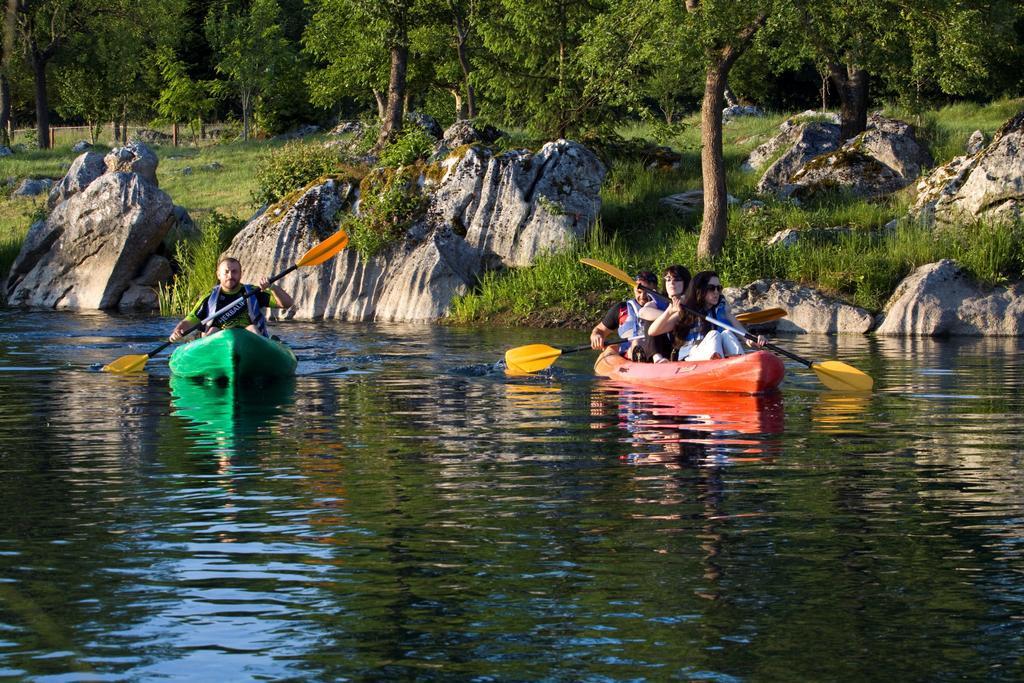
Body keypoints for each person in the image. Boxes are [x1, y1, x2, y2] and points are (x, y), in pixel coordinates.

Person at [169, 256, 294, 342]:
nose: (230, 276)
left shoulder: (253, 292)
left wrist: (272, 287)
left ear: (240, 274)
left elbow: (287, 303)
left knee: (253, 328)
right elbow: (190, 320)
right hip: (218, 339)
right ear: (219, 275)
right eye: (226, 272)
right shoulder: (208, 298)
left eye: (234, 272)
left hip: (249, 340)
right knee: (213, 329)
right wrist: (177, 332)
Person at [648, 270, 765, 361]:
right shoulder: (687, 311)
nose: (716, 292)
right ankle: (716, 364)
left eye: (719, 288)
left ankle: (740, 363)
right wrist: (669, 311)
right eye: (711, 288)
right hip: (691, 356)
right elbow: (652, 331)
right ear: (700, 290)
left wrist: (754, 340)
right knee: (714, 334)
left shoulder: (723, 310)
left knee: (727, 333)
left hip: (718, 357)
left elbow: (743, 334)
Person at [590, 270, 668, 361]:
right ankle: (639, 359)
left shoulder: (665, 306)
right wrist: (596, 335)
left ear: (656, 290)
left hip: (659, 351)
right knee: (636, 343)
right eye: (639, 292)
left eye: (647, 292)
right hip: (629, 355)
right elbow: (599, 330)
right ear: (634, 290)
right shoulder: (621, 309)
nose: (643, 296)